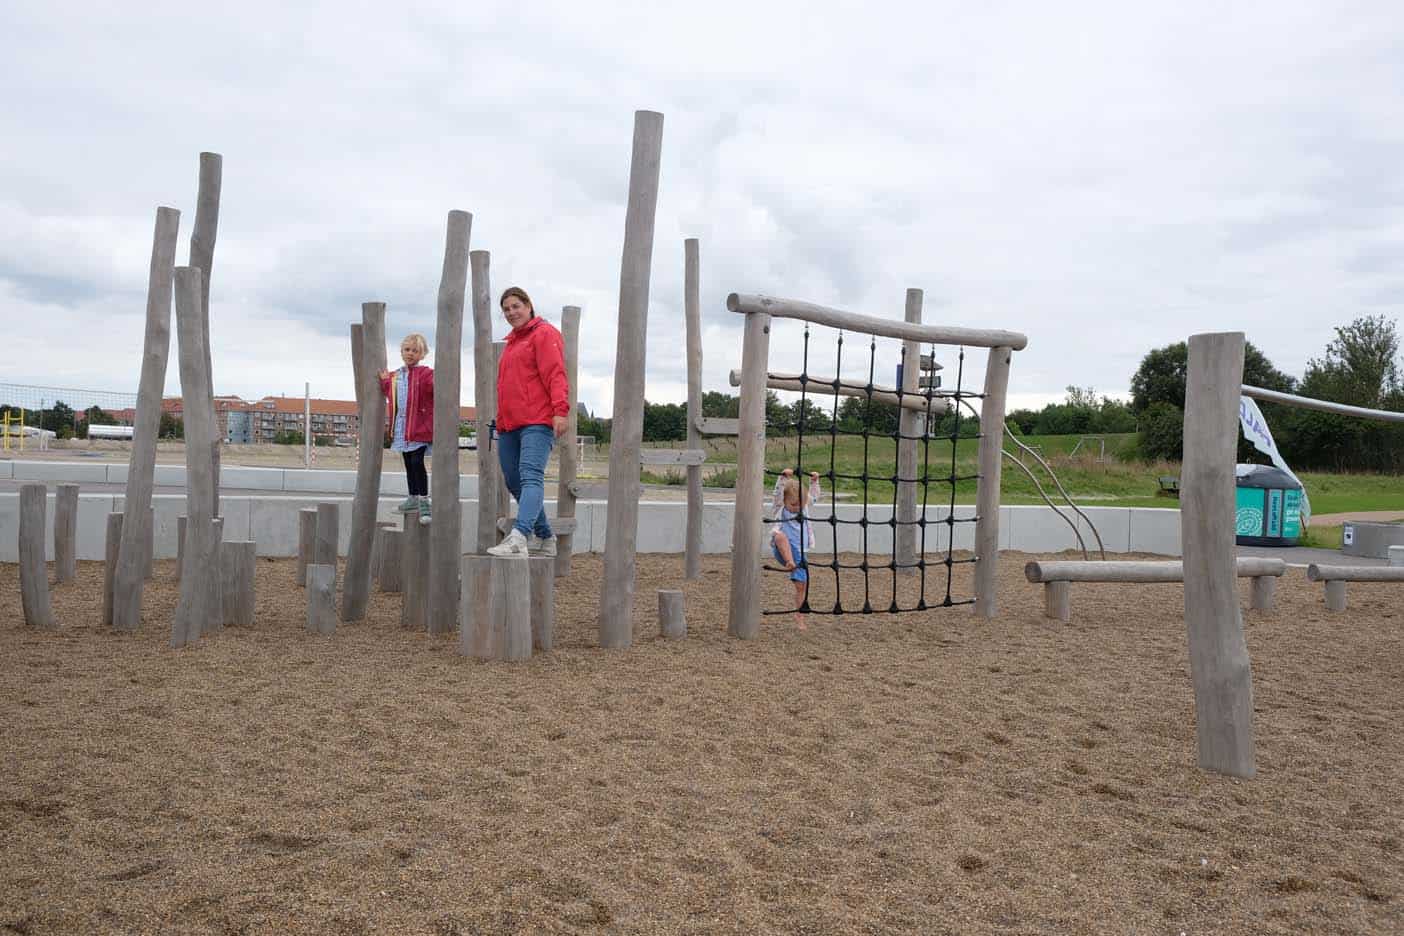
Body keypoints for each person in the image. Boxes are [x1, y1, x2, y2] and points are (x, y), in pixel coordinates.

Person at [487, 287, 569, 556]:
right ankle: (546, 537)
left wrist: (560, 410)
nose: (512, 312)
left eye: (516, 306)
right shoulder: (511, 343)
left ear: (528, 305)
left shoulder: (544, 333)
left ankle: (519, 537)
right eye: (507, 309)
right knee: (513, 481)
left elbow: (555, 373)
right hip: (509, 424)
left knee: (531, 476)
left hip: (537, 420)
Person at [378, 333, 434, 526]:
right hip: (402, 428)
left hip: (418, 426)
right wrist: (385, 381)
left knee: (418, 461)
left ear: (422, 354)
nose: (410, 354)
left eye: (415, 350)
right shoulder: (396, 376)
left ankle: (424, 501)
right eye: (407, 350)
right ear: (402, 351)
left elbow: (434, 387)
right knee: (409, 463)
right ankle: (412, 497)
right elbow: (390, 392)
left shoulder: (426, 374)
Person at [771, 468, 822, 630]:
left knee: (802, 587)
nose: (797, 508)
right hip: (783, 551)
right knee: (779, 536)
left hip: (800, 553)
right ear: (785, 502)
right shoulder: (781, 508)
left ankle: (800, 616)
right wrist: (783, 477)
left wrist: (814, 482)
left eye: (800, 504)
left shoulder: (804, 507)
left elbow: (814, 498)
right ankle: (789, 562)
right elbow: (778, 494)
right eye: (793, 504)